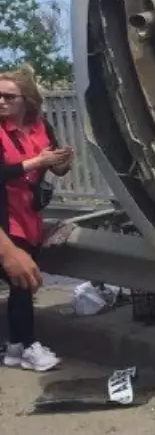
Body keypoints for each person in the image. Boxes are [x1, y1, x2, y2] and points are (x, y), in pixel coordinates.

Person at [0, 67, 73, 371]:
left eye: (9, 97)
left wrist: (60, 163)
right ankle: (27, 344)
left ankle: (17, 346)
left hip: (29, 211)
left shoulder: (42, 127)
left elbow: (54, 167)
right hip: (6, 214)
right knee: (22, 281)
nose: (1, 102)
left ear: (27, 100)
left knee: (22, 284)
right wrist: (36, 161)